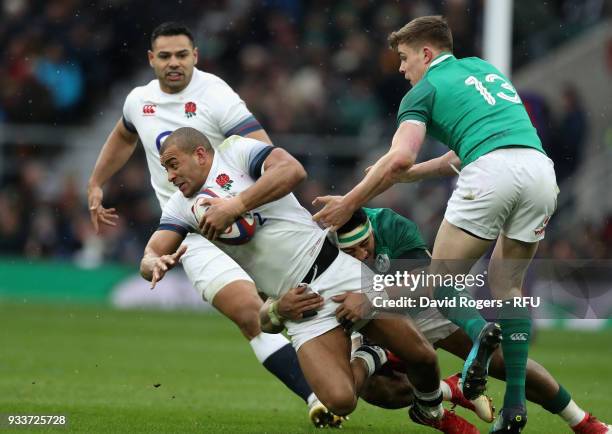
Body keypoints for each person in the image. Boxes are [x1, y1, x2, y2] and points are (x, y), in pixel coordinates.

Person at [141, 127, 480, 434]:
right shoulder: (180, 206)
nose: (170, 176)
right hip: (297, 303)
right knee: (340, 401)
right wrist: (155, 263)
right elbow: (151, 252)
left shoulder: (234, 151)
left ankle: (431, 408)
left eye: (173, 164)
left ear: (200, 154)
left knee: (422, 356)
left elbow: (292, 170)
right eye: (165, 168)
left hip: (337, 270)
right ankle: (372, 353)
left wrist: (236, 205)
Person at [312, 15, 560, 433]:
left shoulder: (422, 92)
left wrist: (349, 201)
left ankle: (480, 335)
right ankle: (514, 405)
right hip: (538, 170)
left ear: (427, 53)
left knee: (440, 282)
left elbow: (400, 157)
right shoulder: (484, 69)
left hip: (490, 173)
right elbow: (463, 150)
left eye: (406, 59)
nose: (402, 69)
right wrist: (411, 176)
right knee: (508, 287)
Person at [87, 22, 328, 426]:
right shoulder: (137, 101)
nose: (174, 63)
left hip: (244, 220)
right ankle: (315, 397)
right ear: (152, 60)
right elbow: (124, 136)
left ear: (195, 55)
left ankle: (373, 366)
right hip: (189, 232)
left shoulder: (216, 96)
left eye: (182, 55)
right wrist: (96, 182)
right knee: (249, 315)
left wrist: (243, 206)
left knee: (314, 307)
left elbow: (265, 154)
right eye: (164, 56)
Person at [329, 208, 610, 434]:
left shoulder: (391, 224)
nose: (363, 255)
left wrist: (370, 298)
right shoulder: (322, 249)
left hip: (422, 305)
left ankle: (583, 423)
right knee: (373, 389)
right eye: (351, 252)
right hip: (372, 318)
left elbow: (430, 282)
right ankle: (440, 403)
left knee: (503, 362)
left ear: (370, 228)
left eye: (365, 245)